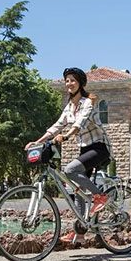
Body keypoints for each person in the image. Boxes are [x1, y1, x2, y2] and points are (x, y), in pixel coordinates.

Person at [26, 67, 112, 244]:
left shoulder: (88, 102)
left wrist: (65, 136)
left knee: (70, 169)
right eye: (67, 80)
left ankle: (100, 196)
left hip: (99, 147)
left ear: (80, 83)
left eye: (73, 80)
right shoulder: (69, 107)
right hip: (84, 149)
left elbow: (79, 124)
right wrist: (37, 141)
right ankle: (80, 231)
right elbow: (56, 126)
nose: (69, 83)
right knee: (76, 190)